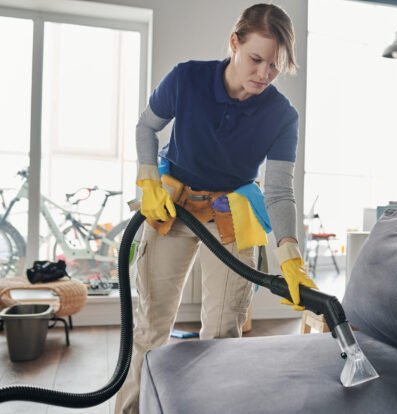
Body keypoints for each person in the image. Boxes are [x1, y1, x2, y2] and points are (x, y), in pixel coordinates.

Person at [114, 3, 318, 413]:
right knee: (152, 326)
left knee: (224, 332)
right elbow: (146, 127)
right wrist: (147, 177)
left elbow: (278, 189)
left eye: (275, 67)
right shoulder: (187, 78)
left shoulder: (282, 115)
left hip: (230, 213)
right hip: (173, 208)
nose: (263, 74)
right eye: (256, 59)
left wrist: (290, 255)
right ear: (234, 43)